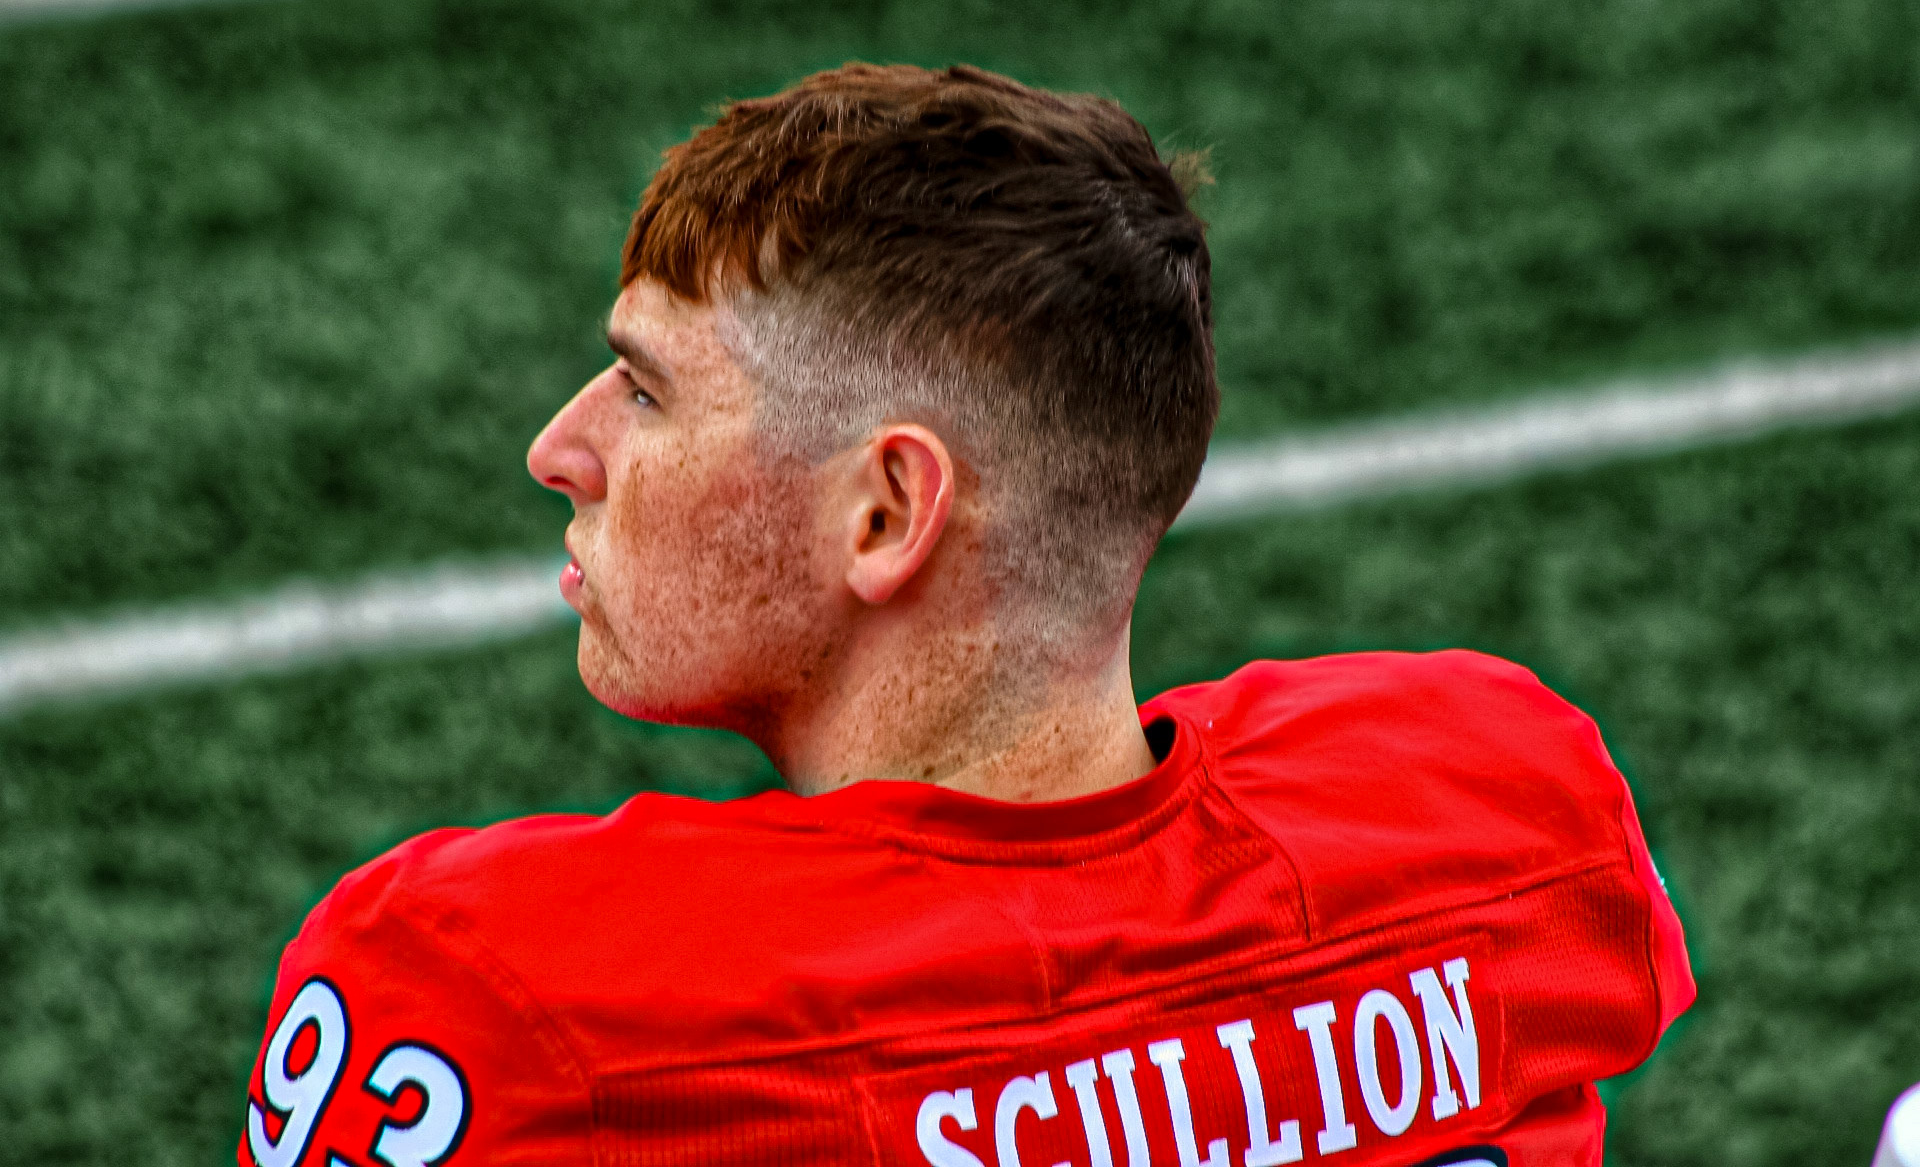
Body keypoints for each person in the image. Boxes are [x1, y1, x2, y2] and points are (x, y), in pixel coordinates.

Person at [239, 64, 1692, 1167]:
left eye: (645, 389)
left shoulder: (496, 998)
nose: (562, 447)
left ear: (886, 512)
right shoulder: (1496, 797)